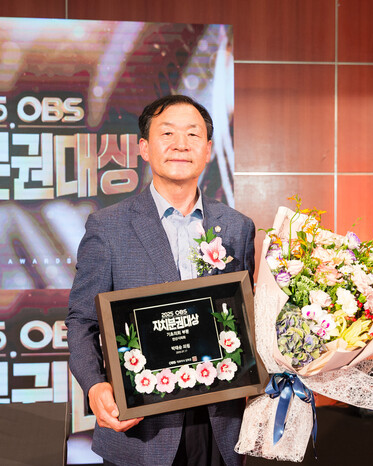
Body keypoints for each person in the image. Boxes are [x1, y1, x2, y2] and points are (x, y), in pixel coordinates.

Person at [66, 95, 255, 466]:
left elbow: (247, 317)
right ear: (144, 148)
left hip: (219, 423)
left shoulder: (237, 227)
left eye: (193, 134)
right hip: (142, 428)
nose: (181, 144)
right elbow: (82, 320)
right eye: (167, 133)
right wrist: (95, 385)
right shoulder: (108, 227)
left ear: (208, 150)